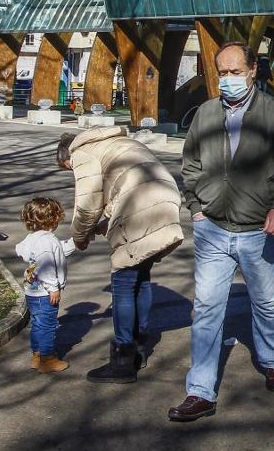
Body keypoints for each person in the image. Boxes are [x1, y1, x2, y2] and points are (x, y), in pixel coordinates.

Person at [168, 42, 274, 423]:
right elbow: (191, 164)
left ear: (251, 72)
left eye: (235, 72)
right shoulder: (206, 114)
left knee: (265, 303)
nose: (228, 80)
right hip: (212, 229)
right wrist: (196, 208)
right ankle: (200, 391)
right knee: (207, 310)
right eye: (222, 73)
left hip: (259, 230)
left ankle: (273, 360)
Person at [56, 127, 183, 384]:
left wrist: (80, 237)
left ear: (66, 155)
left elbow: (88, 203)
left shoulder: (82, 152)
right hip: (165, 197)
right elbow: (115, 197)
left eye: (68, 169)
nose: (72, 173)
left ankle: (123, 360)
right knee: (141, 276)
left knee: (123, 282)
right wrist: (100, 228)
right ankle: (139, 348)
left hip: (140, 204)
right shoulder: (118, 142)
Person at [16, 197, 77, 374]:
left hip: (32, 291)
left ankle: (37, 354)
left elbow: (21, 249)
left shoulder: (34, 238)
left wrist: (76, 242)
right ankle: (47, 359)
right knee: (47, 325)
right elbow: (47, 265)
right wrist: (54, 288)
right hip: (45, 293)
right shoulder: (47, 241)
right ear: (54, 219)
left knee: (37, 323)